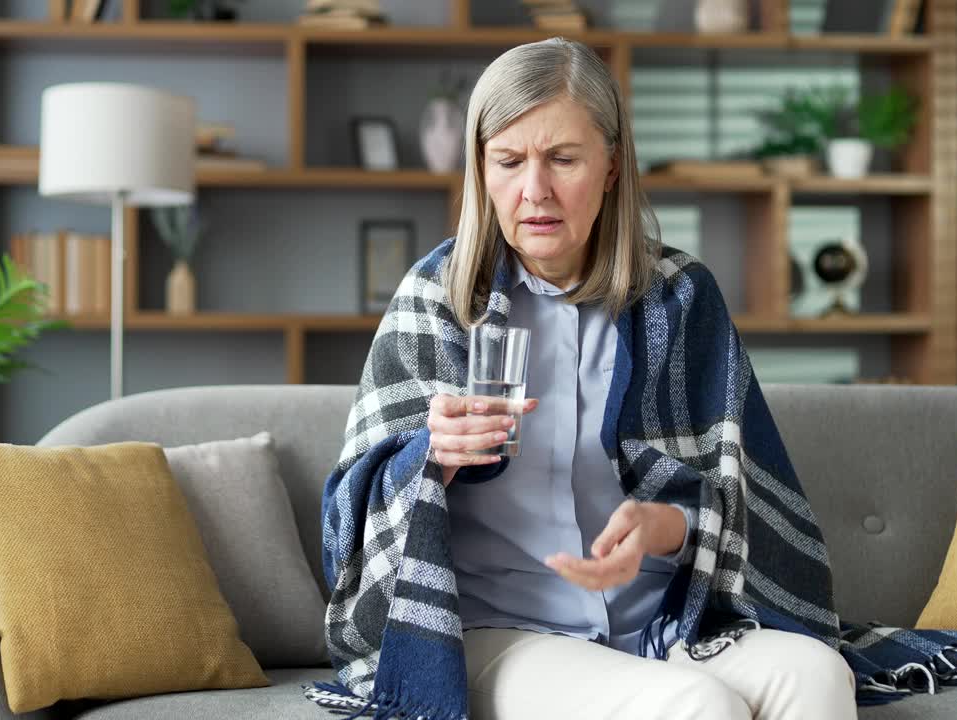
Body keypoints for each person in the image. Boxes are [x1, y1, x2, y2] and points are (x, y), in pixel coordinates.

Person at [311, 37, 856, 720]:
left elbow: (739, 497)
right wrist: (432, 456)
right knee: (696, 705)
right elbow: (349, 517)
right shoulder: (437, 299)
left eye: (562, 159)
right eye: (507, 162)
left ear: (610, 167)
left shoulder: (678, 298)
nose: (533, 191)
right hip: (499, 631)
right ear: (481, 171)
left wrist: (666, 527)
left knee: (818, 674)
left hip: (661, 625)